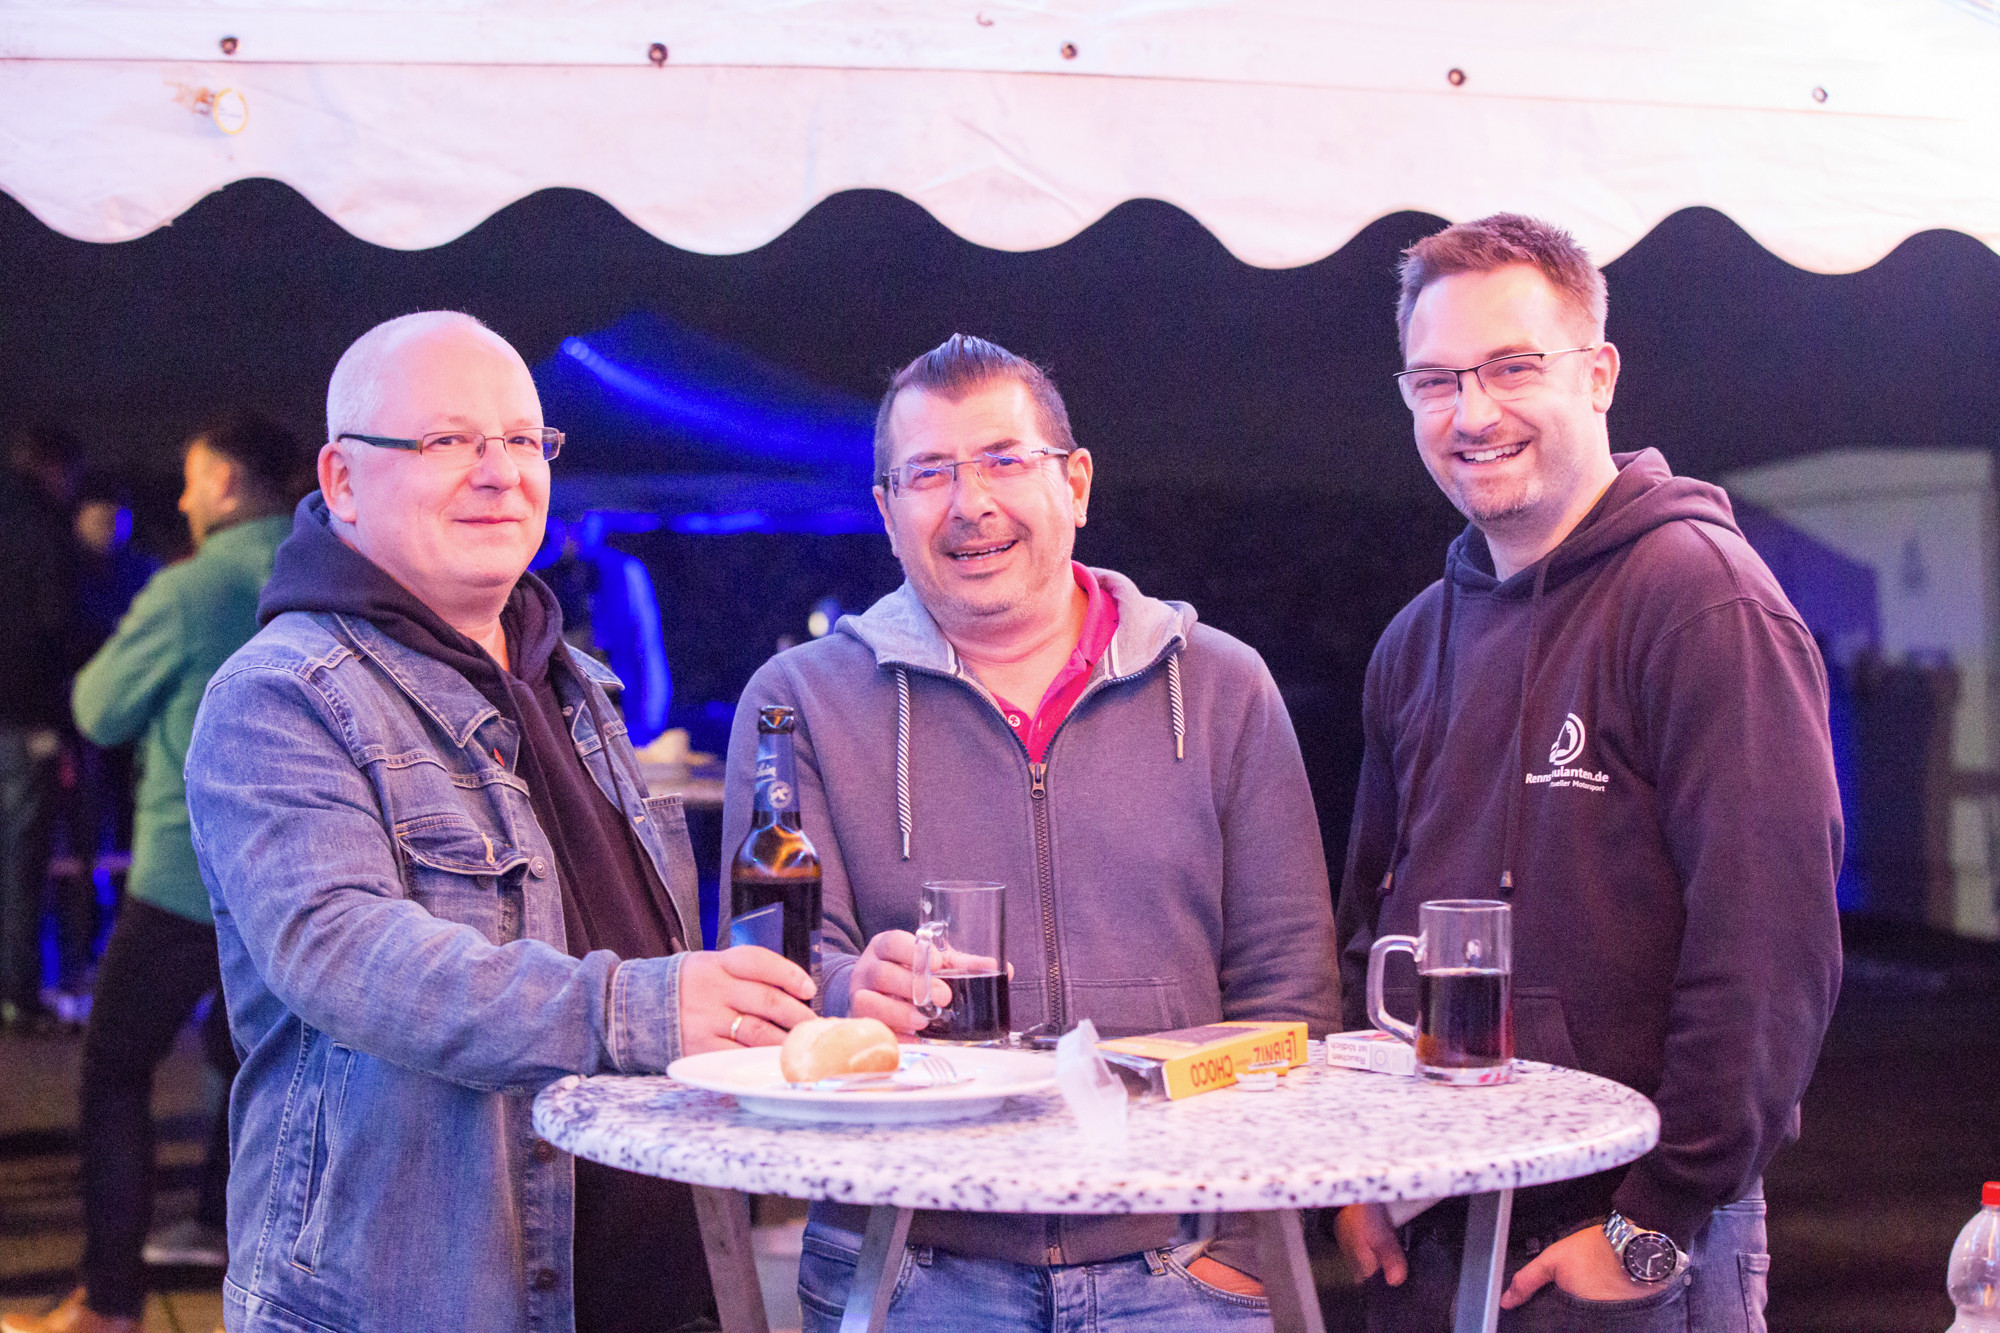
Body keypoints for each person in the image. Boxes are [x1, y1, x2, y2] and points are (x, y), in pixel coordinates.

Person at [174, 312, 816, 1333]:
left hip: (662, 1285)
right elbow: (343, 953)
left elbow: (651, 956)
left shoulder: (576, 682)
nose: (500, 473)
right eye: (448, 440)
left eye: (524, 439)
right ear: (343, 480)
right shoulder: (281, 694)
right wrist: (640, 1009)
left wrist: (804, 1003)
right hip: (418, 1303)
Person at [721, 333, 1339, 1332]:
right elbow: (770, 984)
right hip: (905, 1268)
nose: (971, 503)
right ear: (886, 511)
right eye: (929, 473)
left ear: (1075, 482)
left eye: (1005, 459)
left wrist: (1237, 1243)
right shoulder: (797, 703)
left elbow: (1288, 989)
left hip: (1181, 1266)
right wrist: (848, 991)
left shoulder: (1223, 687)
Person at [1333, 214, 1842, 1332]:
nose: (1472, 413)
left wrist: (1656, 1218)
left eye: (1512, 367)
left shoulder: (1702, 602)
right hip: (1426, 1228)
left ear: (1598, 374)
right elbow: (1370, 928)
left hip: (1623, 1239)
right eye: (1435, 381)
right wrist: (1359, 1169)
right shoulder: (1414, 642)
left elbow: (1769, 949)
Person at [5, 414, 310, 1333]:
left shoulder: (190, 586)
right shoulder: (325, 572)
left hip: (189, 871)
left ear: (224, 482)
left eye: (191, 477)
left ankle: (108, 1300)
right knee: (252, 1056)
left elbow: (98, 709)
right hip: (299, 873)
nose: (180, 496)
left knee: (114, 1065)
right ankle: (224, 1232)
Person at [0, 426, 87, 1032]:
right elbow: (50, 628)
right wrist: (52, 718)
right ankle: (17, 992)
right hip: (24, 715)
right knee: (22, 861)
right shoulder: (43, 531)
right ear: (58, 468)